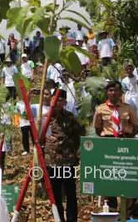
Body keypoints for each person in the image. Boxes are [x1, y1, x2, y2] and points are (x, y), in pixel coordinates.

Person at [93, 80, 138, 210]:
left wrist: (128, 135)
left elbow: (137, 126)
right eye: (110, 90)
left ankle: (129, 204)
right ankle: (111, 204)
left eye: (116, 90)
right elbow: (97, 128)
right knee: (110, 174)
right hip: (108, 143)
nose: (113, 93)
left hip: (125, 142)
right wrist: (107, 136)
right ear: (107, 93)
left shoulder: (128, 108)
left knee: (127, 172)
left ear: (121, 92)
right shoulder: (101, 109)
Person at [45, 90, 85, 222]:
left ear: (65, 103)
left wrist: (72, 151)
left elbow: (78, 135)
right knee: (56, 195)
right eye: (55, 99)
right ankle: (59, 219)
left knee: (70, 193)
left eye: (61, 100)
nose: (57, 103)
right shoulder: (46, 118)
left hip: (68, 162)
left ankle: (72, 219)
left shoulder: (70, 117)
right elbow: (38, 138)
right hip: (52, 162)